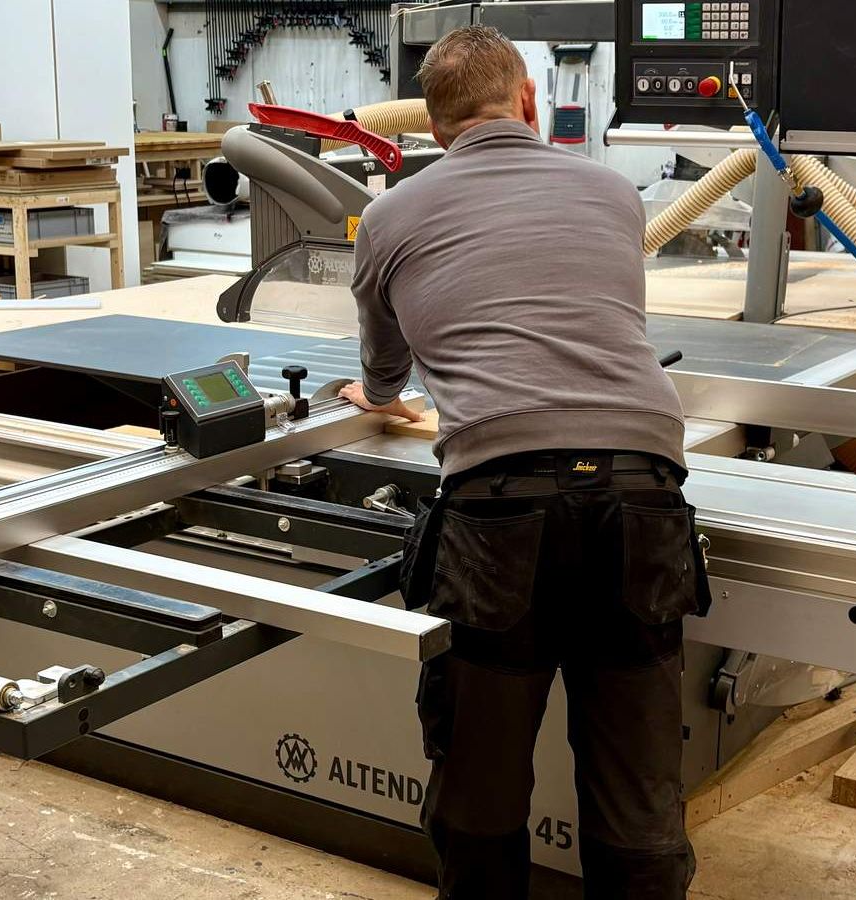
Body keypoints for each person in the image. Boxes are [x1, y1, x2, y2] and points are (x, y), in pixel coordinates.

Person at [338, 25, 704, 900]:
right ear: (529, 101)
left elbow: (385, 370)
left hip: (499, 510)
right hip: (643, 491)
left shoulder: (388, 216)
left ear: (431, 127)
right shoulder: (613, 192)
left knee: (481, 783)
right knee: (638, 793)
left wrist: (376, 395)